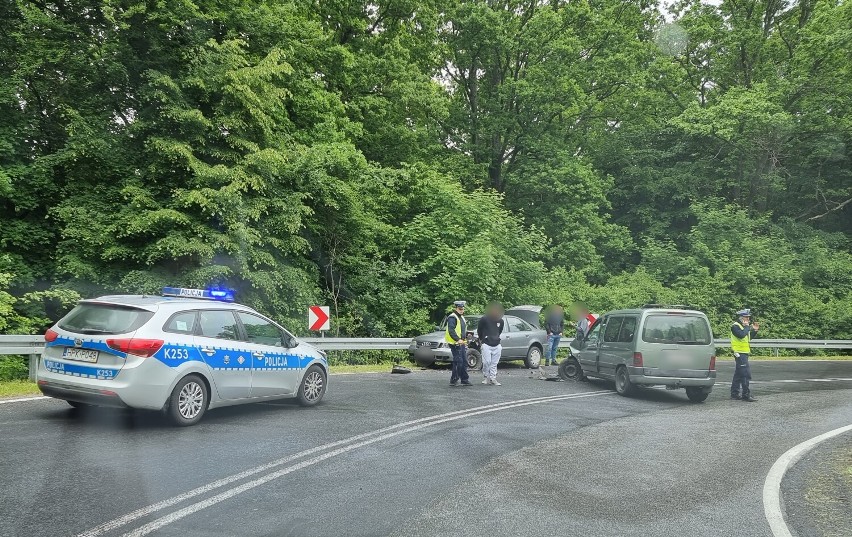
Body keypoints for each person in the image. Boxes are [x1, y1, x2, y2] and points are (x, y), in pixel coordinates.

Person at [730, 308, 759, 402]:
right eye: (747, 317)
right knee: (745, 374)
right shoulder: (735, 326)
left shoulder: (743, 327)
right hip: (739, 353)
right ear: (742, 318)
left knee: (738, 373)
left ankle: (734, 393)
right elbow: (741, 335)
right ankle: (746, 394)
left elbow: (747, 338)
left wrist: (754, 331)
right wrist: (747, 327)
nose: (748, 320)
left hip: (744, 352)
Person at [477, 302, 505, 385]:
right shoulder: (484, 319)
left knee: (494, 363)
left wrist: (496, 337)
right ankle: (486, 376)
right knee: (486, 362)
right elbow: (479, 329)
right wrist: (482, 338)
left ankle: (493, 378)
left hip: (497, 344)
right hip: (486, 343)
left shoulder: (501, 321)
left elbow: (499, 331)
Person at [445, 300, 472, 387]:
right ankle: (454, 380)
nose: (461, 310)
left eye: (462, 309)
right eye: (460, 309)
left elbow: (461, 329)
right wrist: (458, 339)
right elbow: (451, 330)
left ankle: (464, 379)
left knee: (463, 361)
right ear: (456, 308)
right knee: (458, 361)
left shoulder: (461, 317)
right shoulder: (452, 317)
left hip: (461, 343)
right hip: (455, 343)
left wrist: (467, 335)